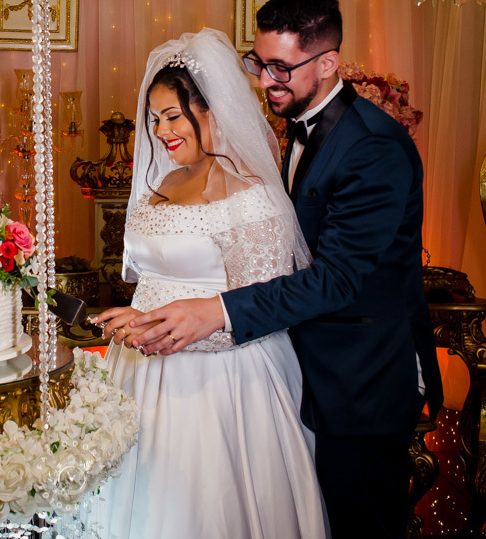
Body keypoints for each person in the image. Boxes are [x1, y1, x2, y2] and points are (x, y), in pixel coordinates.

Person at [126, 0, 443, 539]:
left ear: (327, 62)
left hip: (362, 377)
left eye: (280, 68)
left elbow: (337, 277)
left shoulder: (373, 147)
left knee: (362, 522)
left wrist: (216, 311)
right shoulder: (291, 130)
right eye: (258, 63)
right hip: (303, 366)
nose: (264, 81)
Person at [90, 28, 328, 539]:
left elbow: (262, 309)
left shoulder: (253, 198)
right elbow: (152, 282)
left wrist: (161, 327)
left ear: (215, 110)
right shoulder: (163, 184)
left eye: (173, 116)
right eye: (154, 119)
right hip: (138, 371)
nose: (161, 131)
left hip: (224, 383)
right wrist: (137, 319)